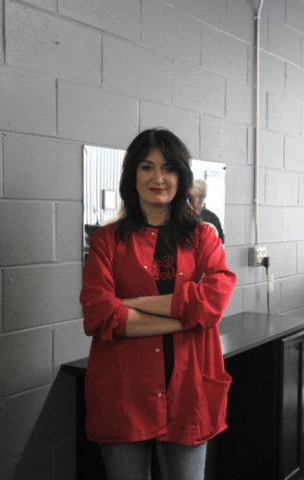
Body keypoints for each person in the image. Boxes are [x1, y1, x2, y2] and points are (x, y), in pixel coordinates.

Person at [80, 128, 237, 479]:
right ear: (132, 175)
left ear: (181, 176)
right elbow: (100, 314)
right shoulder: (107, 241)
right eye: (146, 167)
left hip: (189, 392)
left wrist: (131, 303)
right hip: (124, 394)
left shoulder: (203, 238)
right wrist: (188, 315)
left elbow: (213, 302)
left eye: (168, 168)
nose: (158, 178)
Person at [189, 178, 225, 244]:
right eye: (195, 196)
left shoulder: (212, 218)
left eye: (201, 197)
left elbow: (220, 241)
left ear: (205, 197)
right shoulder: (183, 214)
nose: (197, 200)